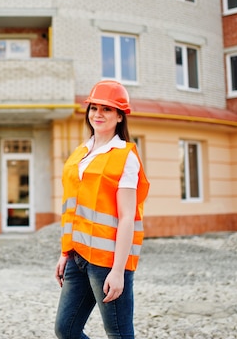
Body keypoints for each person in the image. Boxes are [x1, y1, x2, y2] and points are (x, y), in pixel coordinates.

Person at [54, 80, 150, 339]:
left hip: (108, 262)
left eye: (107, 109)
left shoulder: (125, 155)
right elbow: (73, 209)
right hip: (78, 256)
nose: (98, 113)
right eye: (94, 107)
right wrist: (65, 252)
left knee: (118, 334)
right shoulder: (80, 152)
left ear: (120, 116)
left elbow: (128, 217)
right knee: (66, 330)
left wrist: (118, 271)